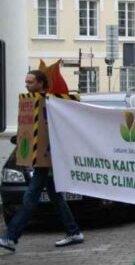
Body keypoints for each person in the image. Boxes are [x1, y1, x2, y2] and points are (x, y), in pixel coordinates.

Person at [0, 71, 84, 253]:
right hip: (43, 161)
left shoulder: (53, 102)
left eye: (30, 82)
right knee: (55, 197)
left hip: (49, 159)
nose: (26, 85)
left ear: (41, 83)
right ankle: (74, 231)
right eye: (25, 82)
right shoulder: (34, 101)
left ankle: (11, 237)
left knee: (30, 198)